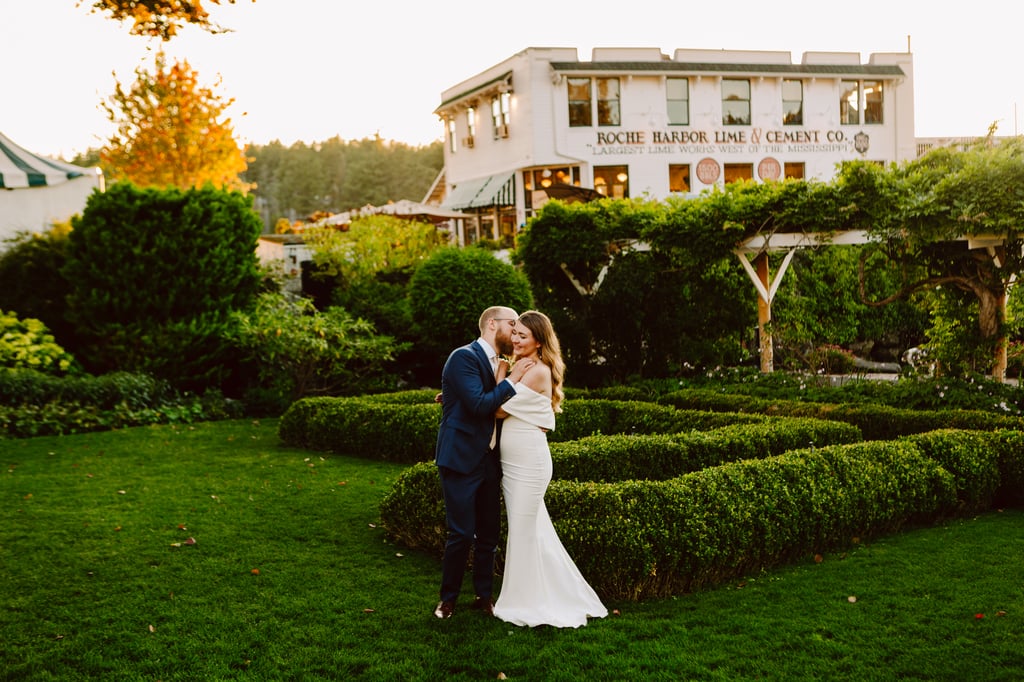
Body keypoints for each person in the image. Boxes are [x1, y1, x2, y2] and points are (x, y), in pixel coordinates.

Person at [492, 310, 608, 628]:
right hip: (515, 462)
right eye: (514, 333)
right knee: (528, 529)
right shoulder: (524, 365)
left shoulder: (536, 371)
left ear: (539, 341)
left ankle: (529, 601)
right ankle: (534, 593)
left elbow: (498, 409)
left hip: (529, 463)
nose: (515, 339)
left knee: (525, 530)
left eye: (522, 336)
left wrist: (504, 372)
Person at [433, 306, 535, 619]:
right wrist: (514, 378)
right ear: (492, 324)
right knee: (461, 533)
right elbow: (479, 405)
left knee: (489, 535)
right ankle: (447, 600)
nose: (516, 332)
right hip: (461, 457)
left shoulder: (501, 364)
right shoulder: (462, 357)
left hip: (490, 459)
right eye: (512, 324)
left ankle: (484, 597)